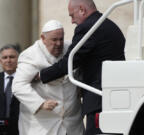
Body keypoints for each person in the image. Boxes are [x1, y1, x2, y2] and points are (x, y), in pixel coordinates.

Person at [39, 0, 126, 134]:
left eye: (72, 15)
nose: (72, 21)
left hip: (99, 100)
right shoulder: (109, 24)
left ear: (82, 9)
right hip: (114, 97)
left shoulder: (88, 27)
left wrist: (40, 75)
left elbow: (69, 62)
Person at [12, 20, 84, 135]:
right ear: (43, 38)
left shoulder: (70, 49)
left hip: (71, 122)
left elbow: (80, 71)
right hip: (41, 124)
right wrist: (40, 104)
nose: (59, 44)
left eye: (61, 39)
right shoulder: (30, 55)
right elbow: (18, 86)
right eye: (54, 40)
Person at [0, 44, 20, 135]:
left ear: (18, 60)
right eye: (5, 57)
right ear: (0, 61)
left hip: (20, 129)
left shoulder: (26, 79)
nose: (8, 60)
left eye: (12, 57)